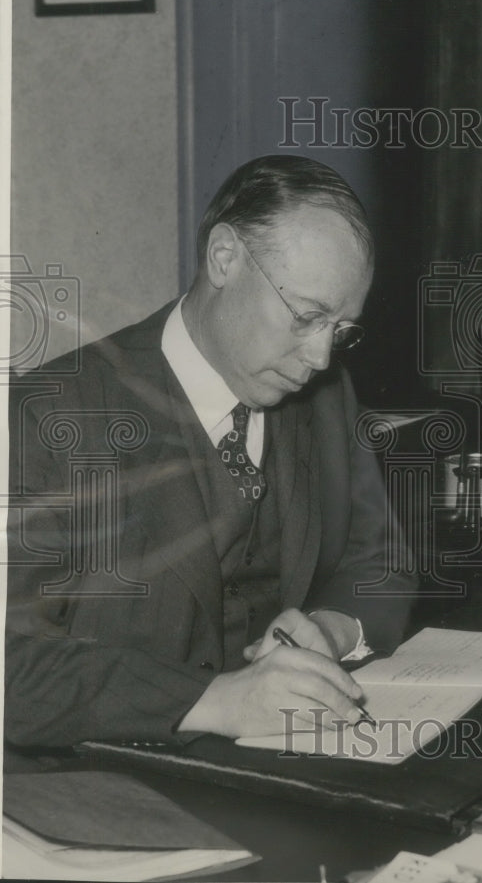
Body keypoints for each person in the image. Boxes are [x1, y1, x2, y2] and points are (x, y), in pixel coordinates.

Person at [6, 155, 416, 747]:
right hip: (99, 785)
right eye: (307, 316)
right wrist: (217, 701)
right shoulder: (47, 414)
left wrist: (328, 631)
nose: (322, 357)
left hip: (277, 769)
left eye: (341, 329)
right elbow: (11, 663)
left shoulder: (326, 396)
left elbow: (382, 565)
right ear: (224, 258)